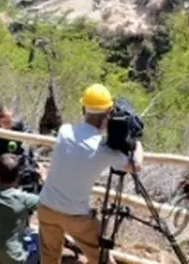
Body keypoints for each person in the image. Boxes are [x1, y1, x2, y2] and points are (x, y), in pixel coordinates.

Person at [37, 83, 144, 264]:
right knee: (102, 259)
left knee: (49, 258)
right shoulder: (103, 150)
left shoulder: (65, 131)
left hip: (46, 206)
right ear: (109, 113)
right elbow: (136, 166)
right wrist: (136, 141)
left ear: (83, 108)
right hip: (76, 215)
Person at [0, 153, 45, 264]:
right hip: (13, 259)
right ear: (18, 177)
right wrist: (43, 178)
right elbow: (49, 202)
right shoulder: (23, 199)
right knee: (39, 239)